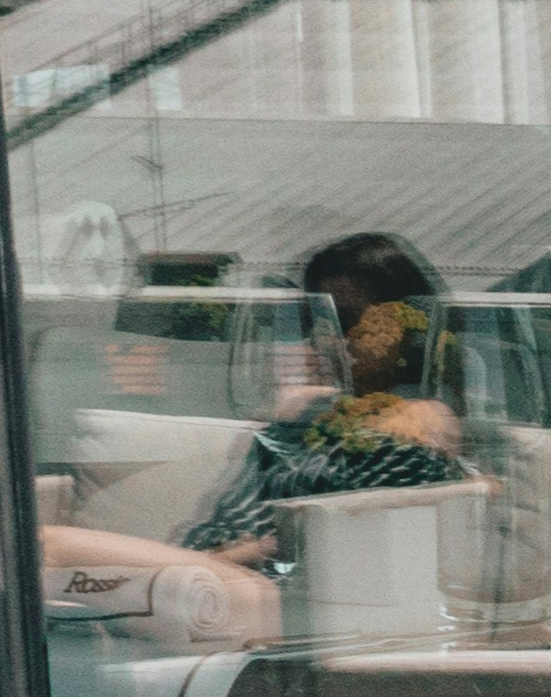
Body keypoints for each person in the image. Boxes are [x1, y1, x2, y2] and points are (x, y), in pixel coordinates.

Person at [39, 230, 465, 639]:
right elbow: (231, 522)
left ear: (408, 329)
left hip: (278, 604)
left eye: (351, 322)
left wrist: (225, 557)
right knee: (64, 589)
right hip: (218, 581)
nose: (327, 341)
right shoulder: (312, 418)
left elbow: (313, 551)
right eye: (317, 322)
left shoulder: (416, 423)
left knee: (46, 548)